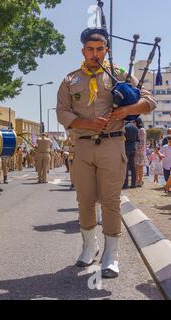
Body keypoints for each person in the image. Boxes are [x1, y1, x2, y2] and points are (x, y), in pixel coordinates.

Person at [56, 27, 157, 278]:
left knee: (111, 201)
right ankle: (90, 246)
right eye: (90, 49)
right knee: (85, 200)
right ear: (83, 51)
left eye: (100, 49)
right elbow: (62, 112)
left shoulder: (119, 75)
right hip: (83, 146)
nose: (95, 54)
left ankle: (111, 256)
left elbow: (150, 101)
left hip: (112, 144)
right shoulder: (70, 80)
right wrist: (87, 124)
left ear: (106, 50)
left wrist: (127, 110)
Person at [123, 120, 138, 189]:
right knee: (133, 166)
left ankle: (125, 184)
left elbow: (123, 138)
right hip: (133, 147)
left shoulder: (125, 127)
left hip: (126, 147)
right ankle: (133, 184)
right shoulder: (135, 128)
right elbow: (137, 139)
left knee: (126, 166)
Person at [135, 118, 147, 187]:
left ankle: (139, 180)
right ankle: (139, 181)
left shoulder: (141, 130)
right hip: (140, 150)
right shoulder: (141, 129)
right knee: (138, 166)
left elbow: (142, 141)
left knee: (139, 166)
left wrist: (139, 150)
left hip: (140, 150)